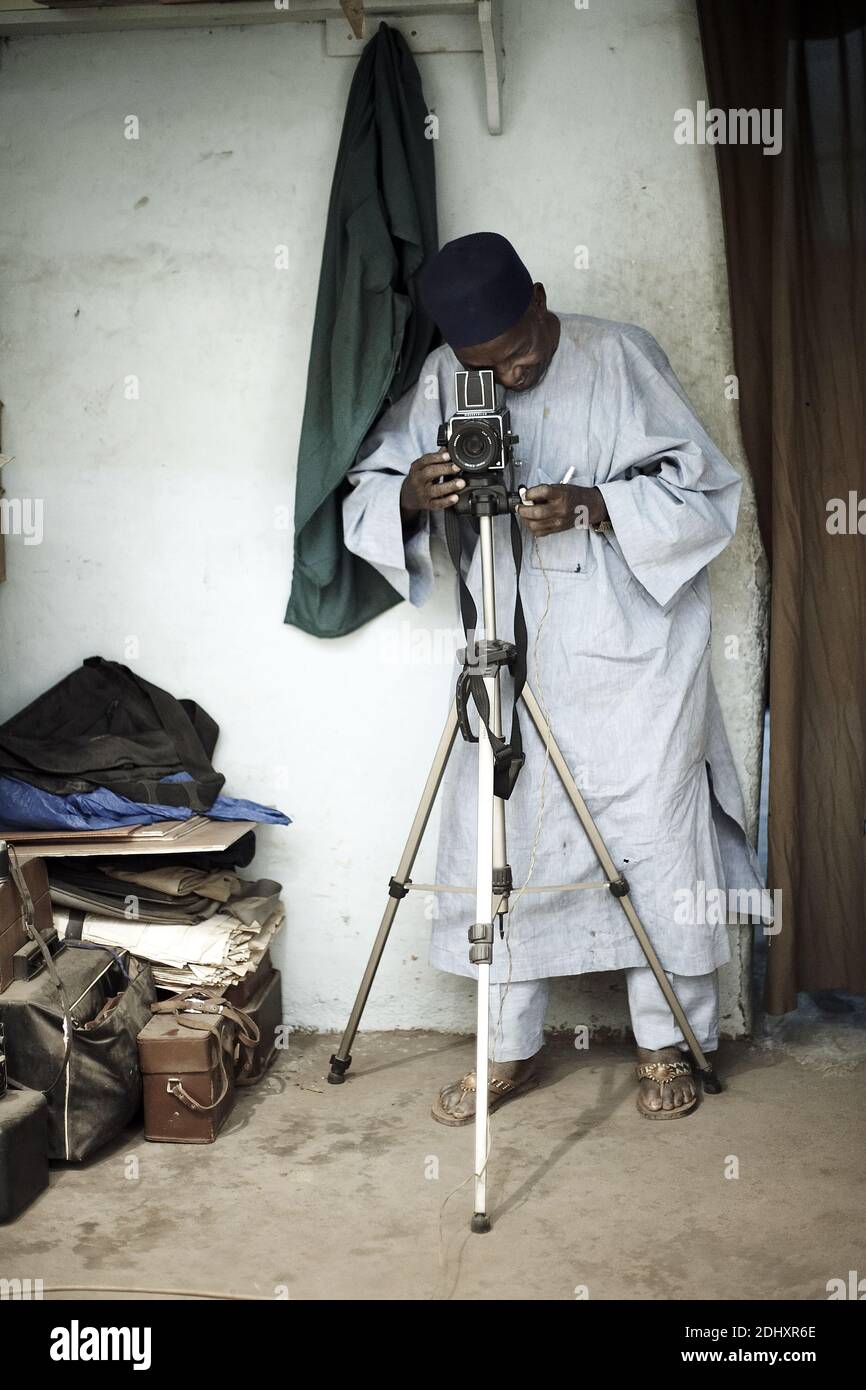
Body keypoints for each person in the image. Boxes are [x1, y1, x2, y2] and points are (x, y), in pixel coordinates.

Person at [343, 232, 762, 1121]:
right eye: (488, 368)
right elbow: (368, 494)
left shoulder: (621, 354)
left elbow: (709, 494)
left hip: (633, 659)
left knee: (653, 838)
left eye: (523, 356)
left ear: (539, 299)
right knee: (507, 849)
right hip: (507, 647)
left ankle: (668, 1043)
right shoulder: (446, 383)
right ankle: (508, 1050)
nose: (513, 379)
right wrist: (417, 492)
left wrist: (596, 505)